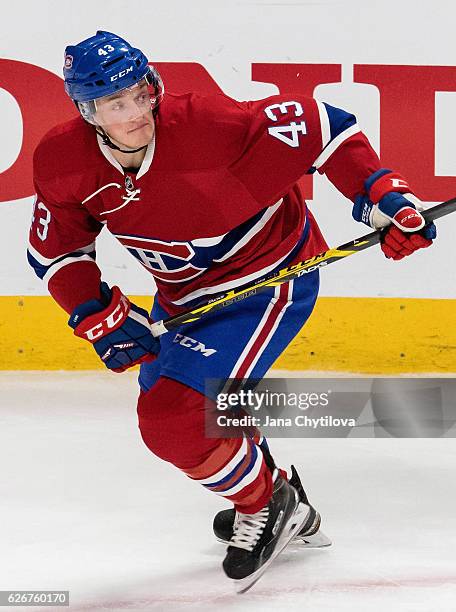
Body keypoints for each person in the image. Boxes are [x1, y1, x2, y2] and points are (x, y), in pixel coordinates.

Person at [27, 31, 436, 590]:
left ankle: (268, 502)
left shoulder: (208, 125)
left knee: (174, 421)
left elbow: (324, 126)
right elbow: (58, 251)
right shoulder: (63, 159)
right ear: (86, 111)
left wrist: (386, 197)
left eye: (140, 93)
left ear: (154, 86)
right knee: (201, 411)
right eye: (114, 104)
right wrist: (99, 313)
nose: (135, 113)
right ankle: (283, 497)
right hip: (181, 299)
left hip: (266, 281)